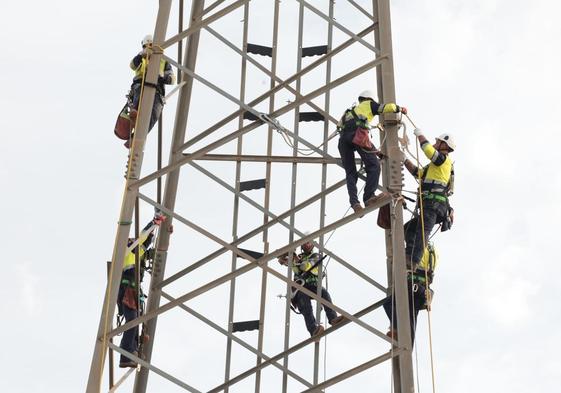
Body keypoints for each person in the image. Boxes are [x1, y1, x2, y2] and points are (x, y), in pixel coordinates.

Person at [337, 90, 407, 214]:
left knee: (351, 173)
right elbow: (385, 108)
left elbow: (356, 134)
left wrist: (376, 151)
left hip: (343, 140)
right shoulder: (369, 104)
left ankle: (355, 204)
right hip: (357, 136)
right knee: (374, 166)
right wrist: (399, 108)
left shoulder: (348, 112)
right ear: (369, 99)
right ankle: (369, 197)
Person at [117, 214, 165, 368]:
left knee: (136, 320)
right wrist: (153, 223)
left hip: (133, 290)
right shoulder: (127, 252)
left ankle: (133, 349)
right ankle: (127, 354)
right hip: (126, 289)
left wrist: (161, 233)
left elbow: (146, 244)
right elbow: (141, 238)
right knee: (132, 320)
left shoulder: (138, 254)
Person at [403, 129, 455, 268]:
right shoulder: (435, 165)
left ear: (444, 145)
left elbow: (428, 150)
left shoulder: (443, 160)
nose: (434, 143)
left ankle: (413, 261)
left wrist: (420, 135)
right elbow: (418, 173)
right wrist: (404, 159)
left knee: (422, 232)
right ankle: (408, 256)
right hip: (432, 204)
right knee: (408, 229)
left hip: (434, 204)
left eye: (437, 142)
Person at [278, 241, 346, 340]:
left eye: (309, 244)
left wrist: (296, 261)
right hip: (299, 288)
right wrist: (287, 258)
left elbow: (305, 266)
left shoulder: (316, 256)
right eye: (305, 244)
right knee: (306, 307)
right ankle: (314, 329)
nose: (307, 245)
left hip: (312, 285)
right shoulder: (298, 257)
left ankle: (333, 318)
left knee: (324, 294)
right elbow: (293, 267)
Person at [383, 243, 438, 344]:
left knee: (389, 304)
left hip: (413, 285)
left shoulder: (419, 248)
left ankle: (397, 330)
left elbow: (410, 261)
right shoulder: (433, 251)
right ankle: (407, 349)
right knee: (411, 319)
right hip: (421, 290)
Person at [126, 34, 175, 147]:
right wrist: (140, 55)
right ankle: (135, 112)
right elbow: (133, 65)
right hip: (140, 86)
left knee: (154, 115)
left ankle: (135, 138)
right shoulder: (141, 58)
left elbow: (172, 79)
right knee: (139, 97)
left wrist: (161, 77)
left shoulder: (163, 61)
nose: (148, 48)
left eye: (150, 46)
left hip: (156, 92)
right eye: (146, 46)